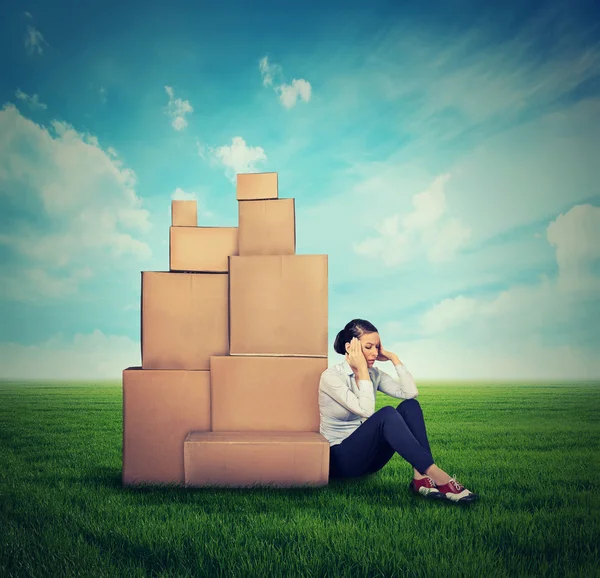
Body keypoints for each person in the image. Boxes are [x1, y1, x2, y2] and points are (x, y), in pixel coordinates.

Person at [319, 318, 478, 503]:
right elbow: (366, 410)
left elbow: (410, 393)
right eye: (368, 347)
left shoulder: (374, 374)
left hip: (370, 460)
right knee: (386, 414)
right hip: (341, 460)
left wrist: (394, 359)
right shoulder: (331, 377)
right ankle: (440, 477)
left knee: (410, 406)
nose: (374, 353)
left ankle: (420, 479)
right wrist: (361, 371)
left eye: (377, 347)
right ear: (350, 348)